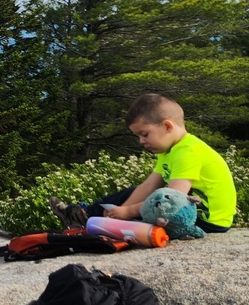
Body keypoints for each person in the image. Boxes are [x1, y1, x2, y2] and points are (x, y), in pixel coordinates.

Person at [50, 93, 237, 233]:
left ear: (167, 126)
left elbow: (173, 201)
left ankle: (86, 218)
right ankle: (85, 216)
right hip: (193, 214)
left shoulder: (188, 151)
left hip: (206, 221)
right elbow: (149, 185)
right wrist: (121, 212)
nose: (141, 141)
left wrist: (129, 212)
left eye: (144, 134)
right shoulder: (170, 150)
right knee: (135, 191)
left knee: (152, 205)